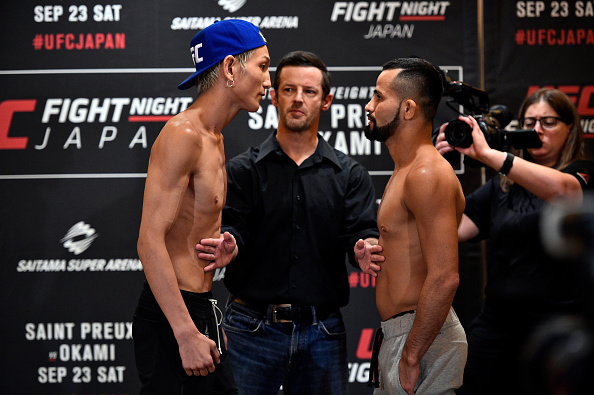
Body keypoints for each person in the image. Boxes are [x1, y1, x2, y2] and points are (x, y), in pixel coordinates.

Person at [195, 51, 382, 395]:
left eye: (309, 92)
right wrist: (231, 242)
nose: (298, 99)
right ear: (274, 95)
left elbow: (360, 233)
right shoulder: (242, 170)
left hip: (322, 331)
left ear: (325, 101)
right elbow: (234, 227)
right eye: (289, 89)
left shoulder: (350, 174)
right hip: (250, 329)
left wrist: (363, 248)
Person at [132, 19, 271, 394]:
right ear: (229, 68)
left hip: (199, 308)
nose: (268, 81)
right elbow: (149, 241)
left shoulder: (214, 138)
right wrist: (185, 332)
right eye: (262, 66)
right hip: (174, 319)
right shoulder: (184, 135)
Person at [434, 88, 594, 394]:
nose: (536, 130)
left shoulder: (583, 173)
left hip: (558, 328)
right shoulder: (503, 187)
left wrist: (490, 155)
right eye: (529, 121)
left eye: (548, 121)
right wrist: (434, 166)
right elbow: (450, 230)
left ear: (570, 128)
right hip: (498, 324)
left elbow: (564, 193)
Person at [363, 57, 468, 394]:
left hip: (422, 341)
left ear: (407, 109)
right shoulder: (407, 170)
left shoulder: (426, 173)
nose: (369, 106)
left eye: (379, 97)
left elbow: (444, 276)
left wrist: (411, 355)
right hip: (403, 334)